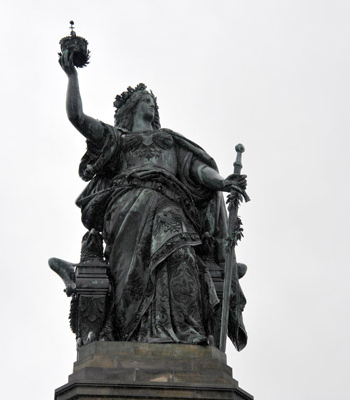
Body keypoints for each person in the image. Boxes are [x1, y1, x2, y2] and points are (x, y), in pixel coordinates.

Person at [59, 50, 247, 347]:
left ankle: (183, 331)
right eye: (144, 99)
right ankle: (131, 329)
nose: (150, 103)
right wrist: (73, 76)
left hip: (172, 206)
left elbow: (197, 169)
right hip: (127, 208)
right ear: (132, 107)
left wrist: (222, 182)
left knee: (182, 253)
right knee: (133, 266)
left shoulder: (169, 140)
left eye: (152, 100)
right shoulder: (118, 140)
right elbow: (76, 117)